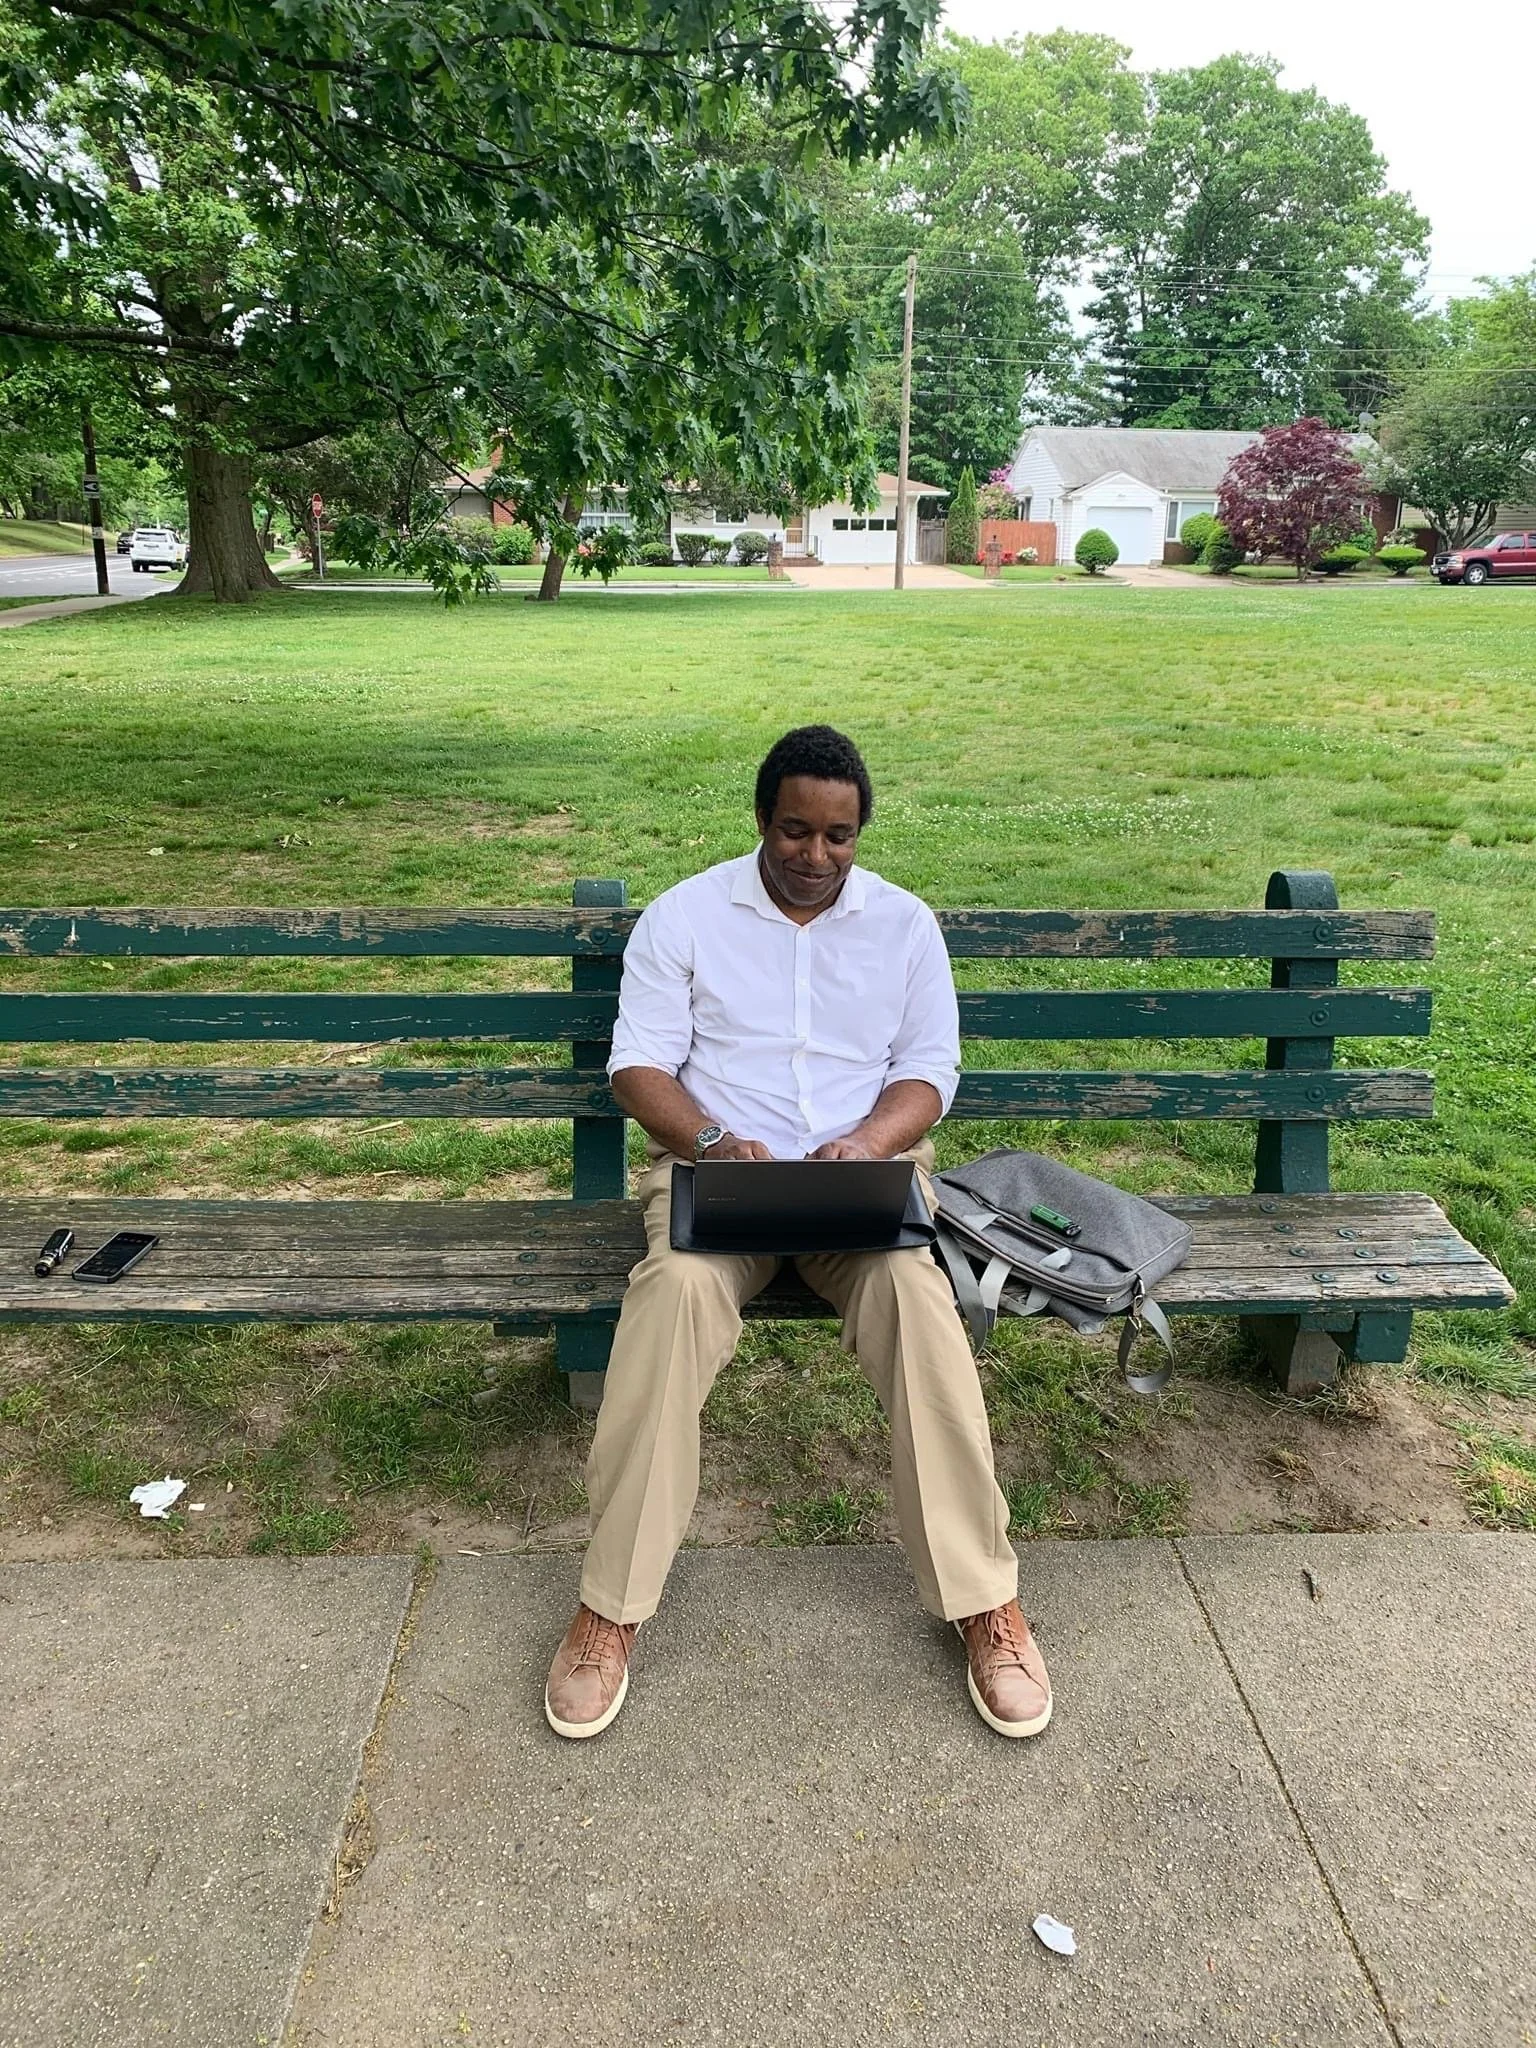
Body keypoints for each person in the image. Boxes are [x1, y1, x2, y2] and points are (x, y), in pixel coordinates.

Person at [544, 725, 1052, 1742]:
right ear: (761, 819)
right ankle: (611, 1606)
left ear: (859, 833)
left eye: (838, 836)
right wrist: (715, 1137)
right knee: (673, 1298)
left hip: (860, 1185)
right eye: (794, 830)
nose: (814, 855)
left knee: (919, 1298)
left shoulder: (905, 926)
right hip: (716, 1179)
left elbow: (929, 1070)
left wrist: (870, 1142)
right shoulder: (687, 915)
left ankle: (985, 1600)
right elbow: (637, 1064)